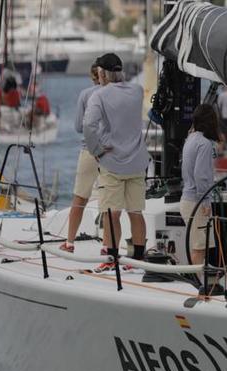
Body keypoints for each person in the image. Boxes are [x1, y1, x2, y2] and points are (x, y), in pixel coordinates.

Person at [83, 53, 151, 270]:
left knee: (112, 213)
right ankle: (138, 258)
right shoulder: (137, 91)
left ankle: (111, 259)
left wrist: (96, 150)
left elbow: (88, 126)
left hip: (112, 162)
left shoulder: (99, 96)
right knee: (136, 212)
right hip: (137, 162)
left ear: (102, 73)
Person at [62, 63, 104, 253]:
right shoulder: (116, 93)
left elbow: (79, 127)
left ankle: (70, 242)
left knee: (79, 199)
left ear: (92, 76)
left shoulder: (86, 95)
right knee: (111, 200)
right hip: (111, 153)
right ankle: (108, 246)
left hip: (89, 151)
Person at [180, 104, 219, 266]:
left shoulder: (190, 139)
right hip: (197, 201)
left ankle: (193, 283)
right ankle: (195, 286)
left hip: (187, 199)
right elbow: (201, 175)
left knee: (196, 246)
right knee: (200, 248)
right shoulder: (204, 144)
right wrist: (205, 201)